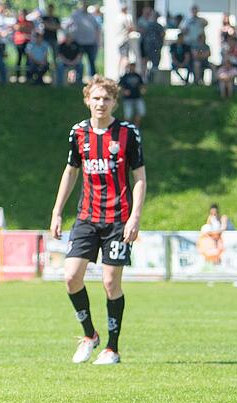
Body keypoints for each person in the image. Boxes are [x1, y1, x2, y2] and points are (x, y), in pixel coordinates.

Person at [49, 76, 147, 365]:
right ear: (87, 100)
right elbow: (71, 171)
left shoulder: (128, 133)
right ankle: (90, 335)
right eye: (96, 98)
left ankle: (112, 349)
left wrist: (135, 217)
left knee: (110, 283)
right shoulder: (78, 133)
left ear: (115, 102)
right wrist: (56, 212)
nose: (101, 103)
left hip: (118, 219)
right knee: (70, 277)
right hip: (86, 217)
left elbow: (139, 177)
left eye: (106, 99)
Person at [69, 1, 101, 77]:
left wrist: (98, 41)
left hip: (91, 43)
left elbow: (97, 29)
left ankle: (92, 78)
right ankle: (78, 78)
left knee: (91, 62)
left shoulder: (91, 16)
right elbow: (70, 26)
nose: (85, 6)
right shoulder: (76, 15)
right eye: (84, 4)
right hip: (79, 43)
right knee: (78, 62)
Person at [140, 11, 164, 83]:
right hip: (154, 48)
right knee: (154, 64)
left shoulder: (146, 25)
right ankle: (151, 79)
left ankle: (145, 79)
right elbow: (162, 35)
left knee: (146, 64)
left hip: (147, 47)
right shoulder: (158, 26)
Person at [119, 62, 145, 126]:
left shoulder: (137, 76)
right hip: (128, 99)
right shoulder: (125, 76)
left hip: (137, 97)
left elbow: (142, 85)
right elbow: (120, 86)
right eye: (131, 66)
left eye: (133, 66)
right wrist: (124, 91)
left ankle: (136, 127)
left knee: (141, 112)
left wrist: (142, 90)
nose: (132, 68)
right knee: (128, 115)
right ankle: (127, 127)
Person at [12, 9, 33, 82]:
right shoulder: (17, 21)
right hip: (19, 43)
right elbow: (18, 27)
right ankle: (18, 76)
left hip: (27, 42)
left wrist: (23, 29)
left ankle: (28, 77)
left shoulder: (29, 22)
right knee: (19, 59)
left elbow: (30, 29)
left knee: (28, 59)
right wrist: (24, 30)